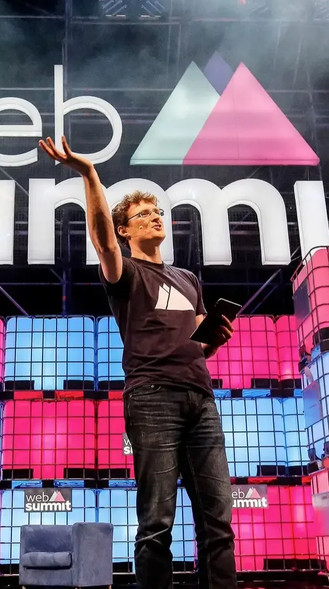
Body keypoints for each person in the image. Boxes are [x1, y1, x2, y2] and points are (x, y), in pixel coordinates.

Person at [39, 135, 238, 589]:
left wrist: (216, 339)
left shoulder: (187, 278)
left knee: (218, 522)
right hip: (152, 398)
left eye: (158, 212)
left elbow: (200, 340)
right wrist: (89, 173)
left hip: (201, 399)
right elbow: (102, 240)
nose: (154, 217)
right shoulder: (124, 272)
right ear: (126, 229)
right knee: (157, 523)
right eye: (142, 214)